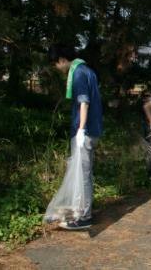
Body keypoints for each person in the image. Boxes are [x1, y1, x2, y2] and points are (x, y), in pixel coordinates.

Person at [49, 43, 103, 230]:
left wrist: (80, 129)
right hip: (93, 129)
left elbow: (84, 103)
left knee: (83, 174)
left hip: (85, 132)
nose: (57, 68)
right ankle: (81, 210)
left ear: (62, 60)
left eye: (56, 64)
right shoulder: (87, 70)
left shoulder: (78, 73)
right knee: (83, 172)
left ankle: (85, 216)